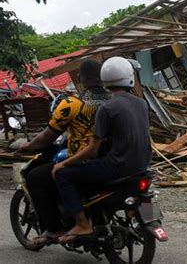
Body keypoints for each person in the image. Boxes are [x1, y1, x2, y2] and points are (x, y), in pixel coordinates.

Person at [51, 56, 151, 244]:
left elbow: (92, 151)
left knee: (63, 175)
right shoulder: (142, 103)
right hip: (142, 166)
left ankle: (82, 224)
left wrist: (63, 163)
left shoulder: (107, 107)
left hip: (118, 167)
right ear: (130, 76)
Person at [21, 59, 111, 246]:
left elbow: (47, 137)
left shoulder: (72, 103)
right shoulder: (115, 101)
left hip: (83, 162)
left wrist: (28, 146)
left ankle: (53, 228)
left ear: (80, 78)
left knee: (36, 177)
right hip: (111, 160)